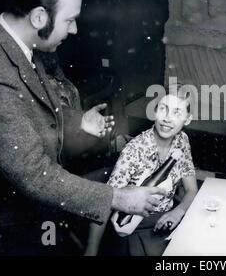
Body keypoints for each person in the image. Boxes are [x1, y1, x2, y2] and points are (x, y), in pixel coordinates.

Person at [0, 0, 165, 255]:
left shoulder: (25, 45)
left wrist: (76, 121)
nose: (74, 30)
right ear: (38, 17)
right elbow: (33, 175)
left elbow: (34, 109)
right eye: (69, 20)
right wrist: (118, 198)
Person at [85, 90, 198, 256]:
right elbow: (106, 201)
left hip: (167, 221)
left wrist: (177, 212)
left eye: (177, 112)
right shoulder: (135, 149)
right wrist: (91, 251)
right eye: (163, 109)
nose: (167, 118)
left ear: (187, 119)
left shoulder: (182, 140)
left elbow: (192, 190)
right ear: (155, 111)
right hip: (132, 226)